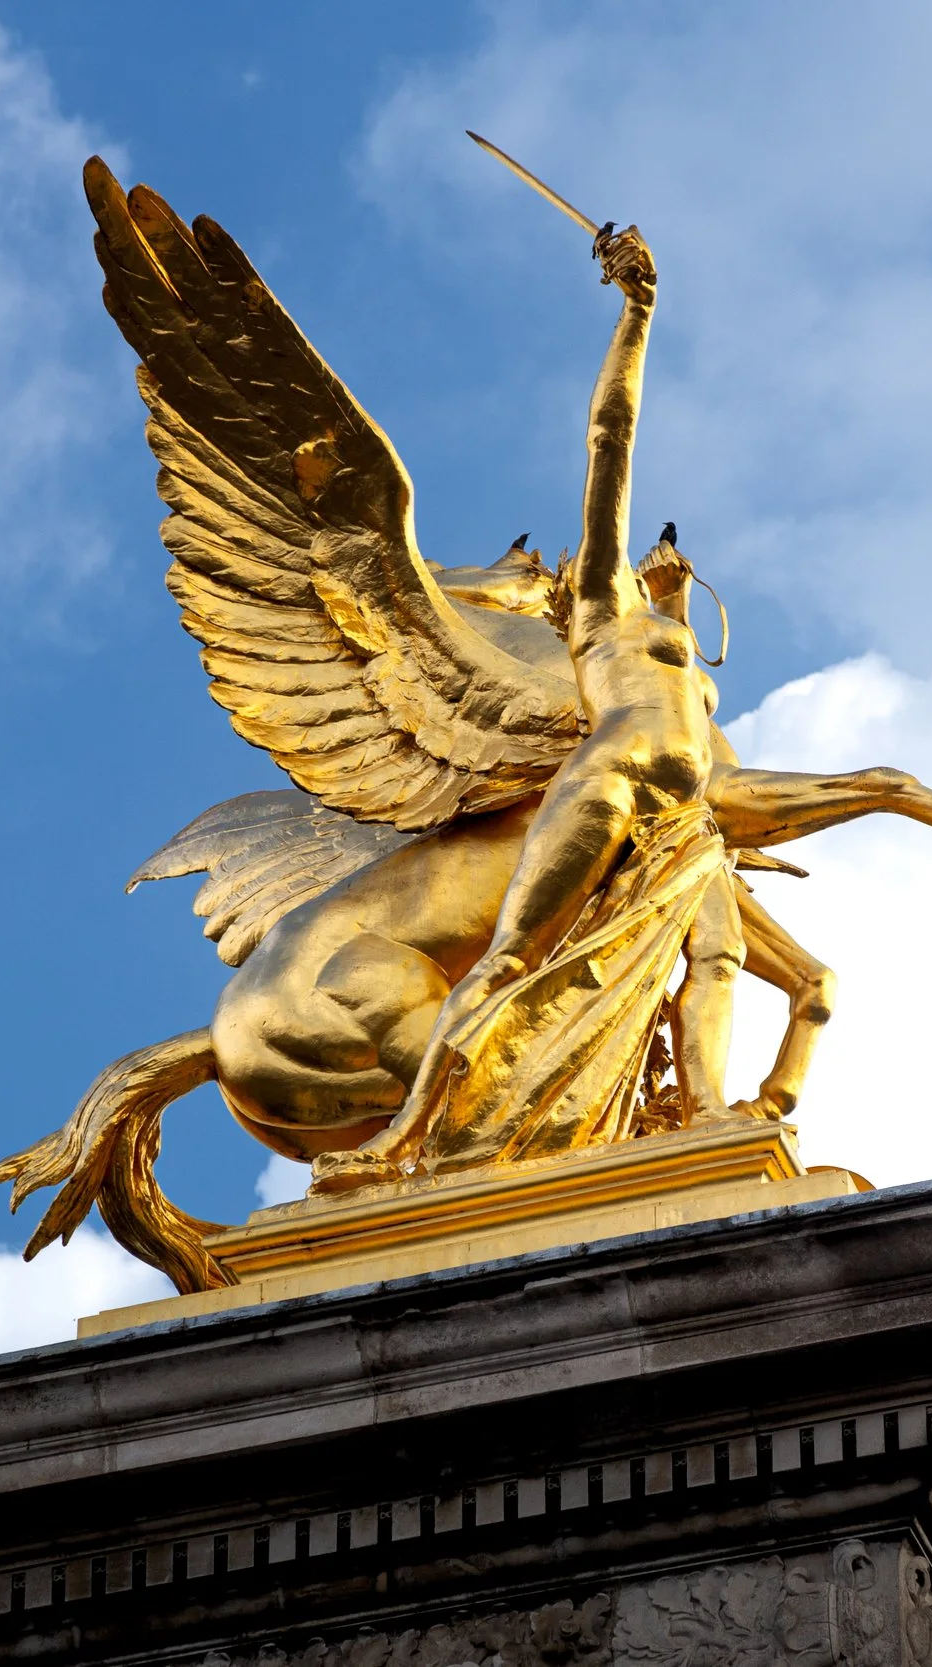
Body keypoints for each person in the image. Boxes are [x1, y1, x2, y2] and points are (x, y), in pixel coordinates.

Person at [310, 225, 740, 1189]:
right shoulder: (594, 611)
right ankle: (402, 1137)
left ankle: (709, 1112)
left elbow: (685, 690)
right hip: (615, 780)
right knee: (507, 961)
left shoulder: (667, 634)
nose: (637, 560)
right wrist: (637, 315)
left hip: (686, 815)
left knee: (719, 947)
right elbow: (610, 441)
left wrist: (672, 601)